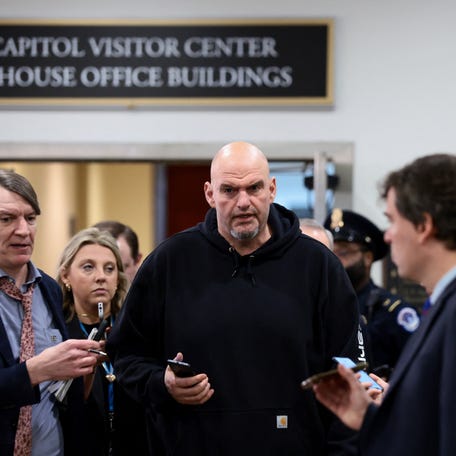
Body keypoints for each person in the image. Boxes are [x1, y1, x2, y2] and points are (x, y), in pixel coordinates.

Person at [107, 141, 366, 455]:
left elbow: (350, 373)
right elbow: (125, 357)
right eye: (229, 190)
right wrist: (161, 383)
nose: (243, 202)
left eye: (254, 188)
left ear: (271, 189)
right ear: (209, 194)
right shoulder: (170, 262)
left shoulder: (319, 266)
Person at [314, 153, 456, 456]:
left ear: (424, 226)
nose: (388, 236)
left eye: (392, 220)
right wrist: (374, 418)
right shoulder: (443, 306)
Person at [0, 169, 103, 456]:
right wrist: (35, 371)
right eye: (6, 219)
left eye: (30, 218)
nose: (23, 230)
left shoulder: (49, 289)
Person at [56, 227, 147, 455]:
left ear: (118, 279)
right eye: (88, 267)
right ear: (66, 275)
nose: (101, 277)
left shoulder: (135, 329)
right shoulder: (55, 333)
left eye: (110, 269)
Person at [324, 208, 420, 378]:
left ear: (367, 258)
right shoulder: (324, 306)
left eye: (344, 252)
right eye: (331, 253)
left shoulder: (392, 313)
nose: (336, 260)